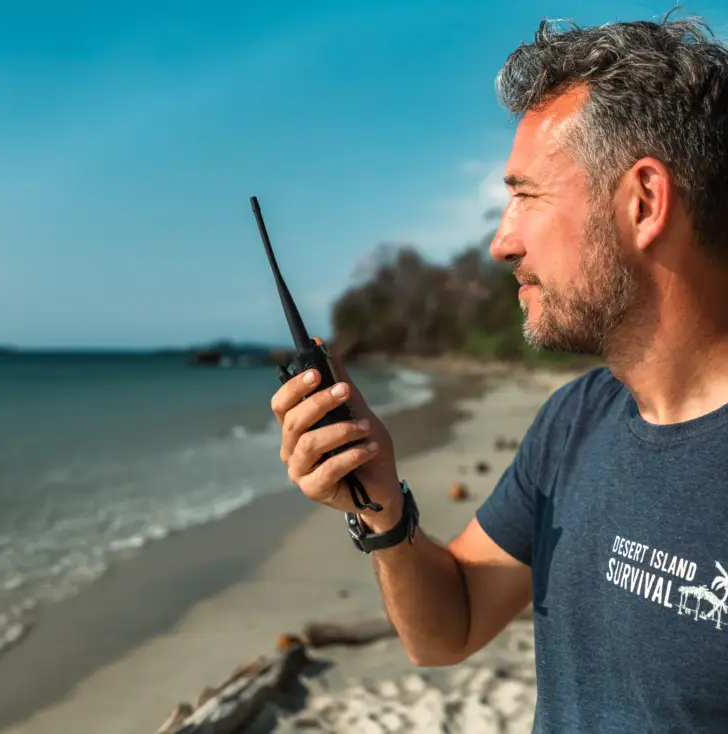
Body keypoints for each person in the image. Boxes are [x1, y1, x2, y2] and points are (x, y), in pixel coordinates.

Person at [270, 12, 728, 734]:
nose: (500, 242)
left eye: (526, 196)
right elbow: (446, 629)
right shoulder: (576, 421)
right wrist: (381, 507)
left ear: (643, 202)